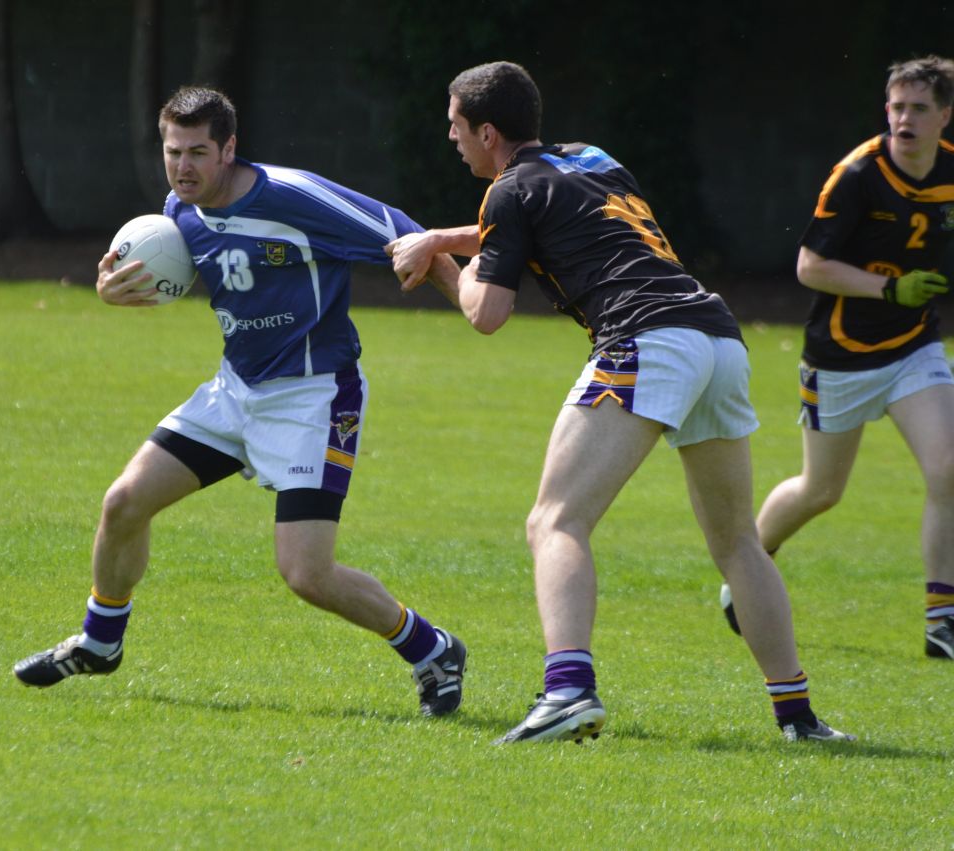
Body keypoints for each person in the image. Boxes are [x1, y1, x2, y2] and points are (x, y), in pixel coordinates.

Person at [388, 61, 854, 743]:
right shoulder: (590, 158)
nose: (450, 136)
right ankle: (799, 717)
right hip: (717, 337)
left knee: (554, 522)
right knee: (737, 544)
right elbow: (534, 216)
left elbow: (486, 313)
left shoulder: (507, 194)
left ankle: (568, 690)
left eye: (455, 125)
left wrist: (437, 265)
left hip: (646, 338)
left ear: (486, 131)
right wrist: (439, 235)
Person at [13, 86, 468, 718]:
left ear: (230, 148)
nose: (183, 167)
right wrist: (111, 286)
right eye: (173, 152)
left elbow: (411, 236)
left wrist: (471, 303)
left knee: (307, 574)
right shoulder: (179, 211)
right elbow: (162, 265)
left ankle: (433, 648)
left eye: (199, 152)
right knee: (123, 502)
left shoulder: (294, 198)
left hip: (313, 396)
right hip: (235, 392)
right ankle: (100, 640)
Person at [720, 56, 954, 661]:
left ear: (944, 116)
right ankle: (747, 571)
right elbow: (809, 267)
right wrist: (889, 288)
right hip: (842, 357)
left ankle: (942, 617)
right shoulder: (856, 176)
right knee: (822, 490)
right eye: (896, 106)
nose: (904, 119)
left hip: (915, 349)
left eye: (919, 109)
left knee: (949, 468)